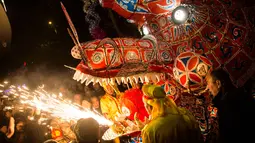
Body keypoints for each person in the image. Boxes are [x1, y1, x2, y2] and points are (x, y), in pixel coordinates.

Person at [206, 68, 255, 143]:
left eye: (208, 83)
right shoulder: (238, 95)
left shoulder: (229, 103)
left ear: (218, 83)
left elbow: (230, 132)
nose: (207, 87)